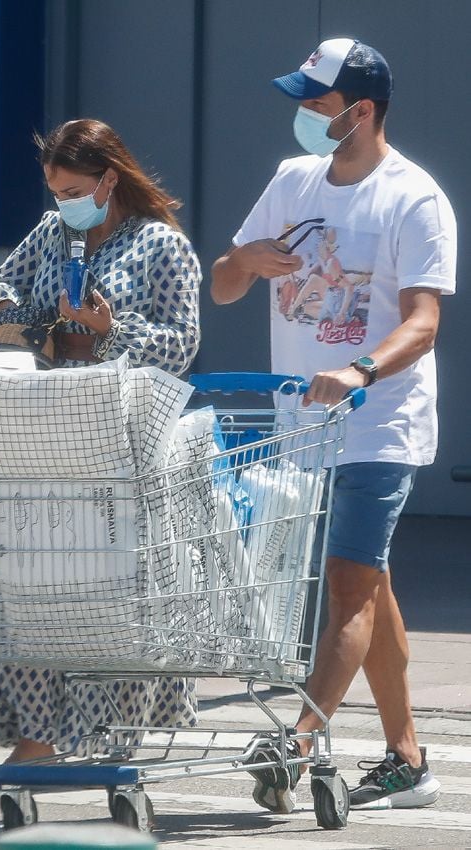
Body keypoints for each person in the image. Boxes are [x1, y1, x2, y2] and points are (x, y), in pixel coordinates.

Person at [211, 38, 456, 812]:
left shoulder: (412, 197)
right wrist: (245, 260)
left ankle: (300, 739)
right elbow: (222, 285)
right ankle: (406, 760)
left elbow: (422, 322)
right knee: (371, 589)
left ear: (361, 110)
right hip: (298, 429)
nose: (302, 115)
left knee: (347, 588)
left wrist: (358, 373)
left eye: (315, 103)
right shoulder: (290, 182)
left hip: (378, 422)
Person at [0, 118, 202, 773]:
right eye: (54, 189)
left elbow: (181, 342)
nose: (62, 201)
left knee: (106, 589)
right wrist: (22, 318)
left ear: (108, 179)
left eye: (72, 188)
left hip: (118, 441)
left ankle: (101, 729)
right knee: (33, 586)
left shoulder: (159, 246)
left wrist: (111, 331)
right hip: (39, 436)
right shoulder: (49, 234)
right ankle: (36, 733)